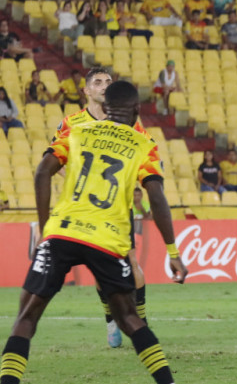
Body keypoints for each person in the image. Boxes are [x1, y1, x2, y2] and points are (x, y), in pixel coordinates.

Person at [0, 81, 187, 384]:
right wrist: (173, 252)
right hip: (107, 238)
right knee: (129, 317)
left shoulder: (76, 132)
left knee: (26, 318)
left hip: (62, 232)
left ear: (106, 108)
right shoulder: (143, 145)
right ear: (137, 111)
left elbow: (41, 172)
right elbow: (156, 196)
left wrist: (46, 229)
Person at [48, 67, 155, 348]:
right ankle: (112, 320)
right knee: (100, 270)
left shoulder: (128, 121)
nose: (104, 85)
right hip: (84, 210)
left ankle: (141, 322)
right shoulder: (71, 123)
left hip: (118, 208)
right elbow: (54, 162)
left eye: (108, 81)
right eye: (98, 82)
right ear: (86, 91)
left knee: (131, 264)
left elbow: (145, 155)